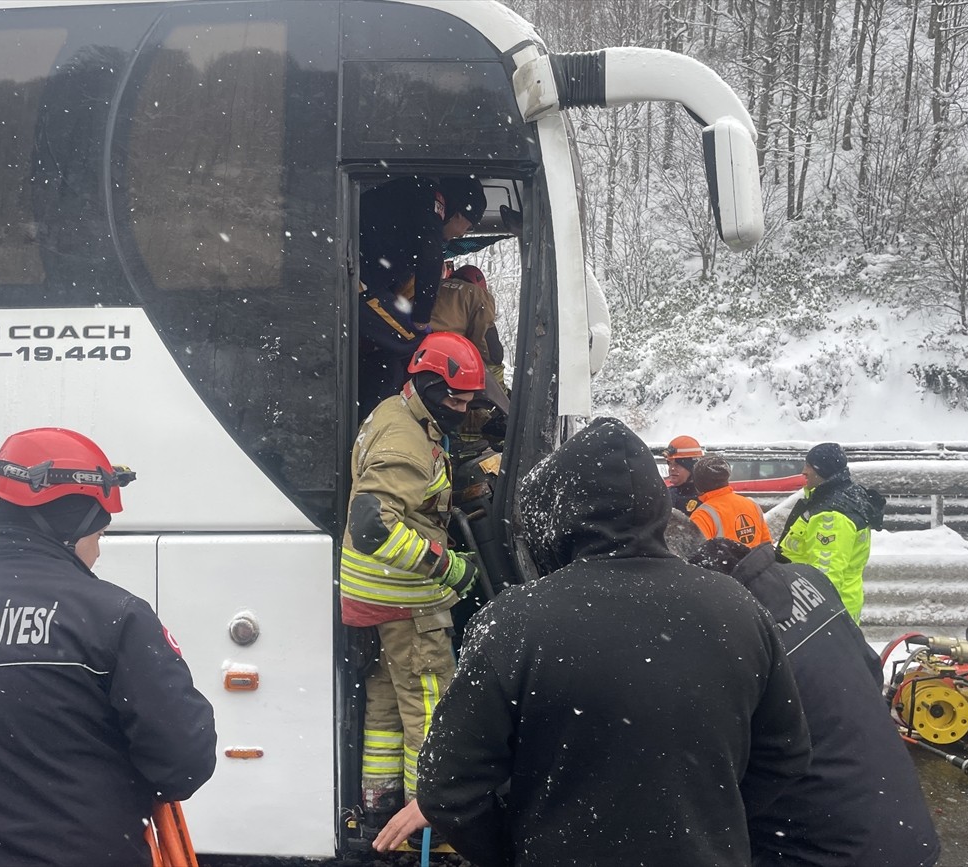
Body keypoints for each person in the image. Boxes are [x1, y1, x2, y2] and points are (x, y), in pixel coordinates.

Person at [406, 417, 811, 866]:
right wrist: (707, 829)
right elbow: (786, 754)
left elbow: (446, 787)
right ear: (658, 506)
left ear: (555, 518)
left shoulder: (514, 621)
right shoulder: (737, 606)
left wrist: (516, 849)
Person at [0, 428, 217, 867]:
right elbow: (182, 763)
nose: (97, 554)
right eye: (99, 536)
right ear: (76, 524)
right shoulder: (113, 616)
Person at [689, 538, 941, 867]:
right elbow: (870, 671)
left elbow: (715, 780)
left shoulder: (724, 637)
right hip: (905, 835)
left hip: (818, 852)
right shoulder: (808, 579)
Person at [339, 331, 488, 839]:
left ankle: (381, 805)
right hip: (404, 599)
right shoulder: (406, 440)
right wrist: (446, 567)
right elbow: (372, 524)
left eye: (469, 400)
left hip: (374, 597)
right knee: (430, 707)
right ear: (425, 383)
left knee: (386, 703)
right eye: (453, 397)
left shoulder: (394, 414)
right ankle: (431, 821)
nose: (460, 409)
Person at [357, 175, 487, 416]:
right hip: (358, 286)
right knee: (416, 346)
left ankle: (375, 411)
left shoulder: (415, 200)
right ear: (458, 214)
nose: (460, 235)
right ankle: (390, 417)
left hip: (365, 282)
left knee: (387, 351)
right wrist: (421, 318)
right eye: (467, 227)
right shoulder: (430, 204)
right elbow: (430, 253)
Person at [777, 442, 885, 622]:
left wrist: (819, 621)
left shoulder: (832, 515)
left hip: (819, 613)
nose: (804, 471)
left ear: (823, 470)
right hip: (831, 607)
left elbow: (826, 576)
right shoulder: (843, 496)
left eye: (809, 466)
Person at [430, 263, 509, 452]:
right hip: (450, 360)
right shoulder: (477, 295)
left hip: (422, 358)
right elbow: (491, 352)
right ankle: (465, 440)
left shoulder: (435, 286)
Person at [689, 455, 772, 548]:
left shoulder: (702, 515)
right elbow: (767, 546)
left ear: (698, 483)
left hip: (724, 563)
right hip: (756, 562)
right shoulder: (752, 505)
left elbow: (696, 554)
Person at [663, 434, 705, 516]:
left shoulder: (705, 499)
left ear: (692, 467)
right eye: (670, 464)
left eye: (677, 464)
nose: (672, 469)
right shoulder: (665, 496)